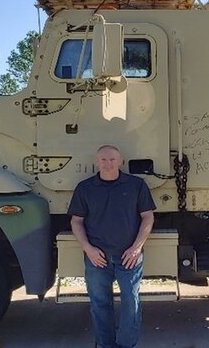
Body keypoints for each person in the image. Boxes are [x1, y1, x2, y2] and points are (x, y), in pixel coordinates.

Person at [68, 145, 156, 348]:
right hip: (97, 258)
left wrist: (136, 247)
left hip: (129, 256)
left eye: (112, 160)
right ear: (96, 162)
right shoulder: (85, 188)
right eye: (103, 160)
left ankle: (126, 345)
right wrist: (88, 248)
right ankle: (105, 345)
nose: (108, 164)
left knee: (130, 303)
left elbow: (148, 217)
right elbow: (76, 221)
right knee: (100, 305)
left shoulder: (136, 185)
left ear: (121, 161)